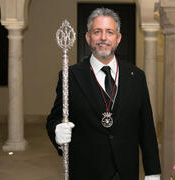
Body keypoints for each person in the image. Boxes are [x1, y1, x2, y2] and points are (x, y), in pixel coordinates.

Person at [46, 7, 161, 180]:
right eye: (97, 32)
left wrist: (153, 171)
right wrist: (57, 131)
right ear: (88, 37)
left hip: (125, 170)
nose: (103, 38)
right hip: (86, 170)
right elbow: (55, 118)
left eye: (110, 32)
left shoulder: (136, 76)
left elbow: (147, 128)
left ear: (118, 38)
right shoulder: (70, 76)